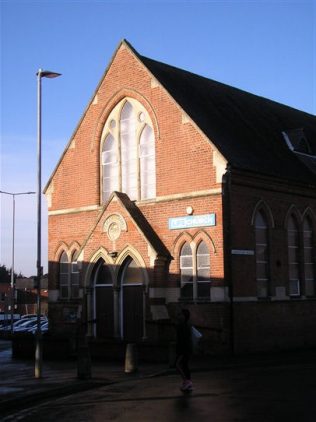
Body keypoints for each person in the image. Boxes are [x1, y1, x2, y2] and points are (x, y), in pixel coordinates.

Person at [175, 308, 193, 392]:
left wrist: (180, 351)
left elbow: (182, 340)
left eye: (180, 315)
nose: (179, 316)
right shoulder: (186, 325)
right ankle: (187, 383)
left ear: (184, 316)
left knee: (178, 365)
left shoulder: (182, 326)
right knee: (185, 365)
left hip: (184, 349)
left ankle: (187, 381)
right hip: (187, 349)